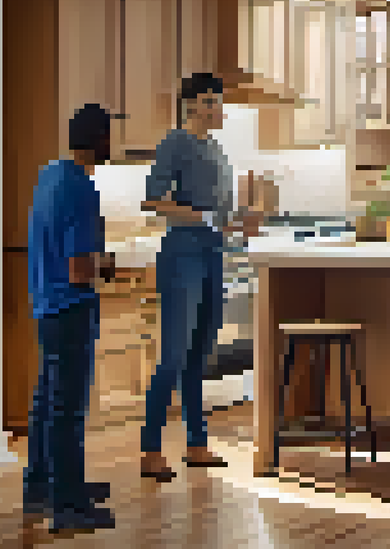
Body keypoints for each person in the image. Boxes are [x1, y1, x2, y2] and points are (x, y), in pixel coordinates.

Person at [140, 72, 261, 480]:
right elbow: (153, 200)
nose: (217, 109)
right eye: (210, 101)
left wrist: (242, 222)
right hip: (182, 256)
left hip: (213, 256)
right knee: (174, 355)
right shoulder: (176, 143)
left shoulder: (217, 151)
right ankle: (150, 449)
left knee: (199, 357)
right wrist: (204, 217)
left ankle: (196, 444)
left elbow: (221, 218)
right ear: (191, 105)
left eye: (219, 101)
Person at [23, 104, 117, 531]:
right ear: (100, 140)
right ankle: (69, 507)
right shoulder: (82, 188)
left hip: (45, 304)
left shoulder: (49, 176)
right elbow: (80, 269)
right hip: (71, 306)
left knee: (47, 402)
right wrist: (106, 265)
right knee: (68, 410)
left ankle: (42, 488)